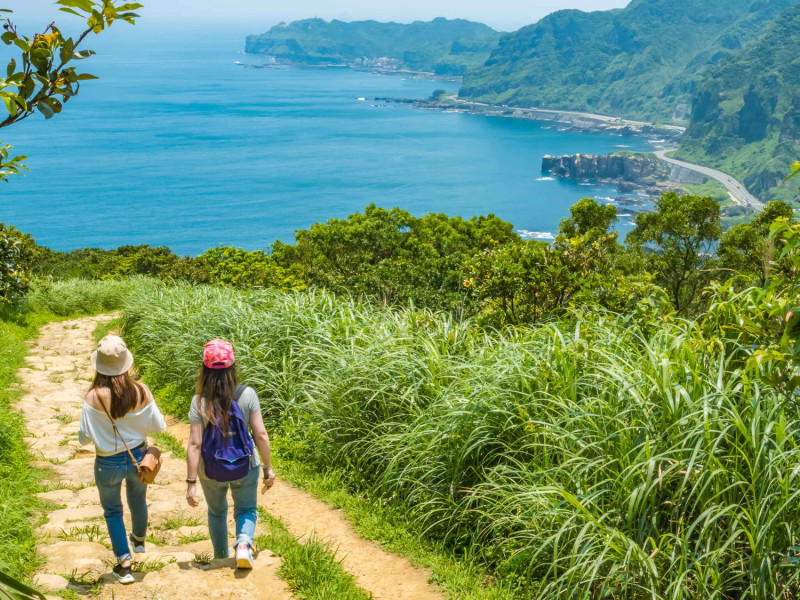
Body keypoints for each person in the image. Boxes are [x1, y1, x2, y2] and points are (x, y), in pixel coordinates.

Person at [78, 335, 167, 584]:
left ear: (99, 366)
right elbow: (159, 425)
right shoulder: (140, 390)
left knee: (113, 511)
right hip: (138, 455)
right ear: (126, 363)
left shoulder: (92, 397)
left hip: (106, 462)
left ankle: (124, 565)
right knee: (138, 500)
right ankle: (138, 540)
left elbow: (84, 438)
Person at [185, 338, 276, 569]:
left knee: (216, 512)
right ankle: (244, 544)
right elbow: (261, 434)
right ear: (233, 366)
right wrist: (268, 467)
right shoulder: (247, 394)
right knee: (245, 509)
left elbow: (195, 444)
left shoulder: (199, 401)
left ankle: (220, 556)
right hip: (246, 464)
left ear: (204, 370)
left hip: (210, 469)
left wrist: (191, 482)